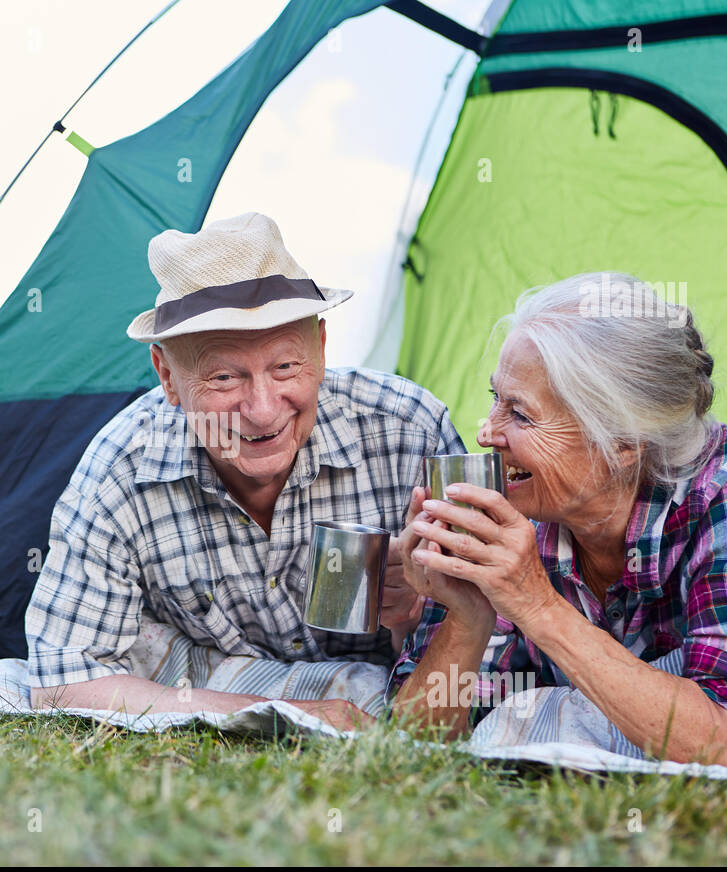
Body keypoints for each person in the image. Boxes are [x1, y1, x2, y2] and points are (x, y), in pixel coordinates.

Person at [25, 211, 463, 730]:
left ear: (320, 350)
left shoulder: (410, 432)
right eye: (225, 376)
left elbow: (494, 638)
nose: (261, 410)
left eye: (285, 367)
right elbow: (62, 678)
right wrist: (287, 713)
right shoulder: (122, 468)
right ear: (166, 374)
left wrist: (413, 619)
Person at [390, 272, 727, 765]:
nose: (486, 433)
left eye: (521, 415)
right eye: (495, 398)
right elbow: (407, 749)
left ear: (621, 442)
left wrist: (536, 603)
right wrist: (469, 612)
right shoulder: (516, 512)